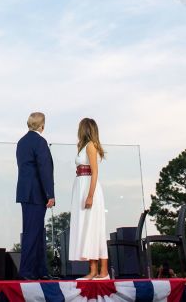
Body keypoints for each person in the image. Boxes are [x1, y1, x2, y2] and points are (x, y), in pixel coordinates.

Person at [68, 118, 109, 279]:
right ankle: (93, 270)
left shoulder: (90, 146)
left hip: (89, 189)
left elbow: (95, 172)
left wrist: (90, 195)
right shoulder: (83, 146)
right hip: (81, 187)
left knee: (95, 228)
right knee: (87, 228)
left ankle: (103, 271)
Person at [16, 112, 55, 280]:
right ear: (42, 125)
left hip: (25, 192)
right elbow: (44, 169)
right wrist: (50, 194)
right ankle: (26, 272)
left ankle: (41, 271)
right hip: (37, 193)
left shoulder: (21, 142)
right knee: (33, 233)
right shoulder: (40, 142)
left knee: (37, 232)